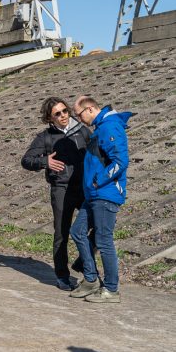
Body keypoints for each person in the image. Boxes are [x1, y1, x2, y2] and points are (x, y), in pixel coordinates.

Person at [21, 97, 92, 290]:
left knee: (98, 225)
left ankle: (83, 264)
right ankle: (62, 276)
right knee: (62, 232)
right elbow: (26, 160)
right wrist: (45, 162)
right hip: (61, 189)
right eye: (57, 114)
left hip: (84, 188)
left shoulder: (82, 130)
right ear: (49, 118)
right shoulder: (45, 137)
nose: (63, 116)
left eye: (65, 111)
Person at [68, 96, 132, 303]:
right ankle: (91, 279)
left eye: (78, 115)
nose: (79, 119)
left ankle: (111, 289)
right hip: (95, 194)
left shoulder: (110, 127)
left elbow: (120, 161)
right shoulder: (102, 127)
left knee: (104, 241)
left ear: (90, 109)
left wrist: (100, 181)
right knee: (77, 231)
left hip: (106, 193)